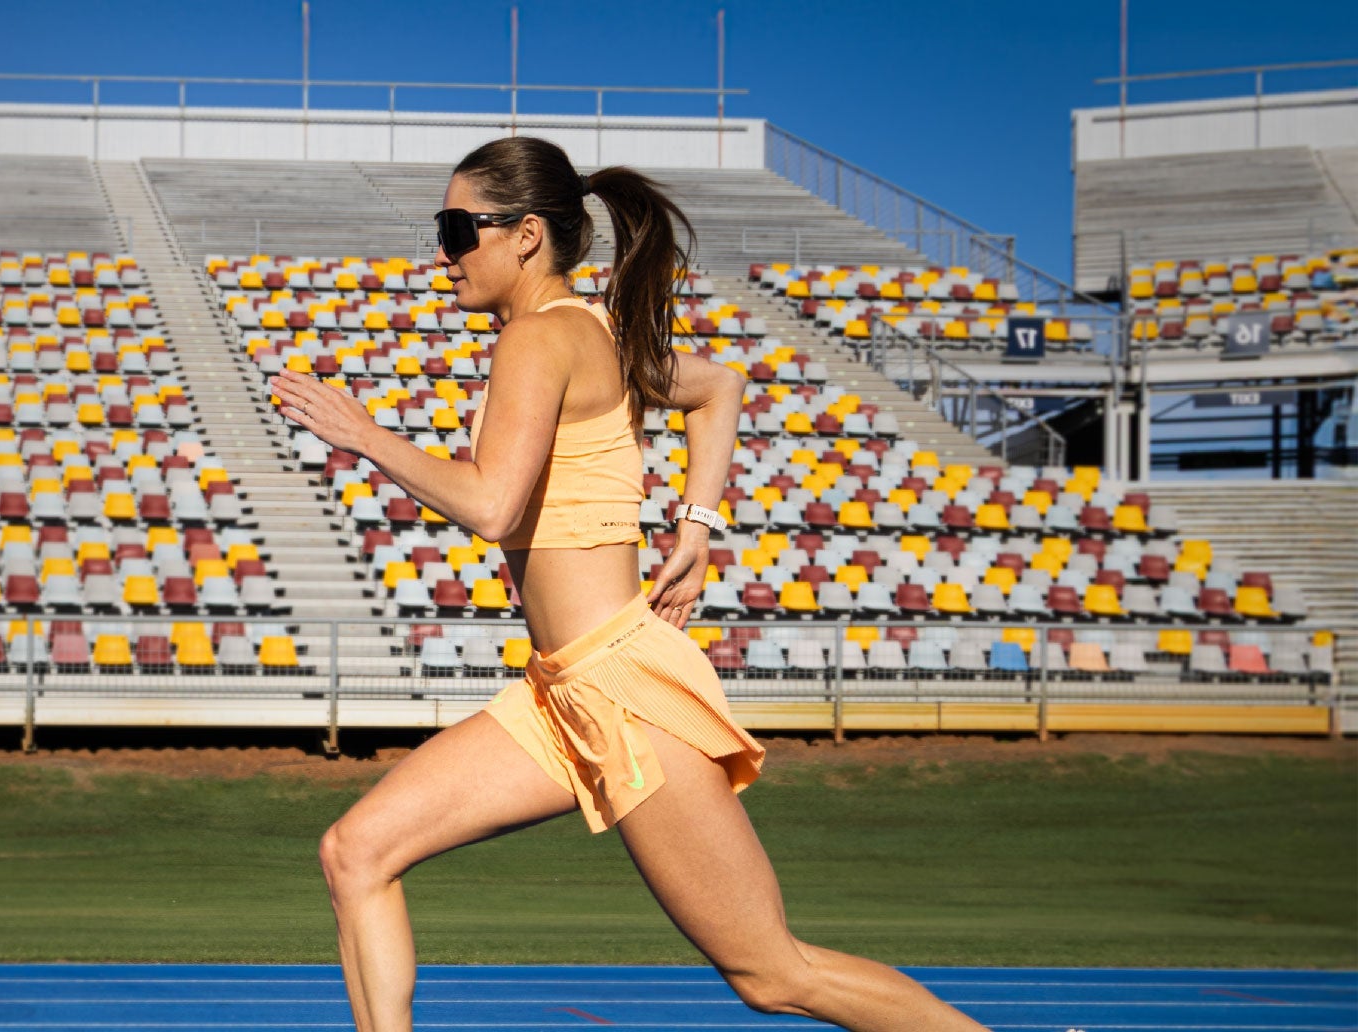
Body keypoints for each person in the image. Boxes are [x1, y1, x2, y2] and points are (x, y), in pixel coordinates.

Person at [266, 137, 985, 1032]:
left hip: (624, 691)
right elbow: (717, 388)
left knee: (772, 972)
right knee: (357, 850)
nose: (441, 254)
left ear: (525, 234)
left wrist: (365, 434)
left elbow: (493, 507)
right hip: (560, 693)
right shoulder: (584, 330)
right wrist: (699, 524)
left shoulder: (541, 336)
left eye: (456, 229)